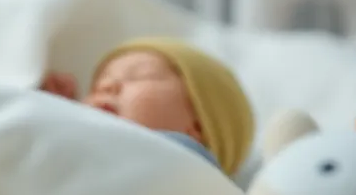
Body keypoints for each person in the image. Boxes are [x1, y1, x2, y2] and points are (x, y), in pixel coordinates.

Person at [40, 37, 255, 178]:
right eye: (96, 87)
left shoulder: (191, 169)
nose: (106, 86)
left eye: (138, 76)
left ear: (199, 128)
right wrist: (54, 106)